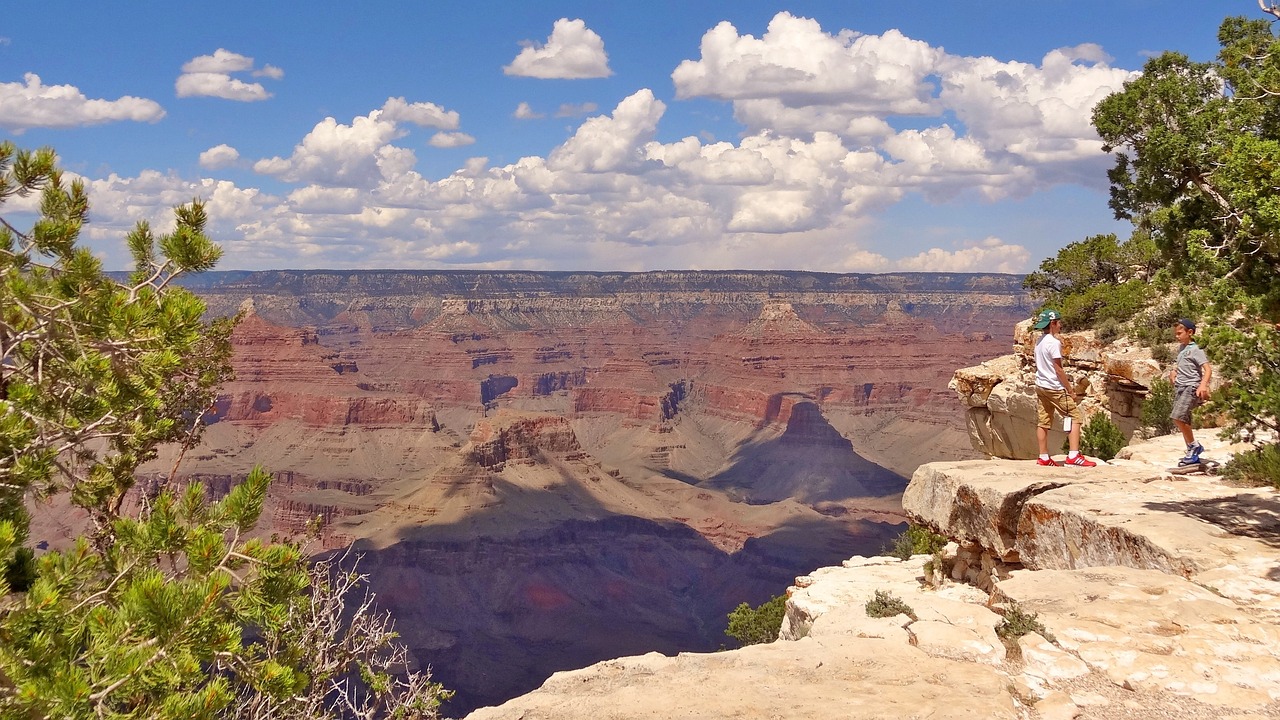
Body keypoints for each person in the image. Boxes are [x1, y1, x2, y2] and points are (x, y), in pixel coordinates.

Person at [1032, 309, 1096, 467]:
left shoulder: (1039, 341)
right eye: (1059, 322)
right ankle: (1074, 456)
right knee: (1075, 417)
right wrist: (1070, 390)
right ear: (1052, 323)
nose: (1060, 325)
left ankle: (1044, 457)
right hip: (1054, 387)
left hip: (1041, 385)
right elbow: (1058, 369)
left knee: (1043, 421)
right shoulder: (1053, 343)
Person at [1168, 318, 1212, 465]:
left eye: (1180, 333)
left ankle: (1194, 446)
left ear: (1190, 332)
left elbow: (1207, 369)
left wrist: (1203, 385)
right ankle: (1191, 451)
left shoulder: (1196, 350)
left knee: (1178, 417)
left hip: (1190, 386)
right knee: (1183, 418)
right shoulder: (1182, 349)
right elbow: (1179, 364)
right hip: (1180, 387)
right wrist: (1174, 372)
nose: (1177, 336)